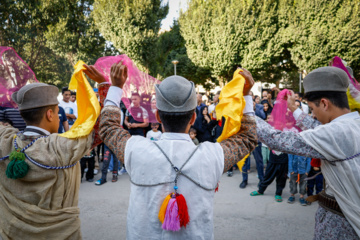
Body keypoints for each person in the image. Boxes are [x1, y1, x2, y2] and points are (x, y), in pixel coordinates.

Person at [85, 62, 257, 239]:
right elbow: (248, 138)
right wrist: (246, 95)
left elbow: (108, 128)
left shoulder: (137, 149)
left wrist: (114, 87)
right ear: (194, 117)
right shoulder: (212, 156)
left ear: (158, 116)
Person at [254, 66, 360, 239]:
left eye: (312, 108)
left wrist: (244, 112)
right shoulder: (353, 123)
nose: (314, 115)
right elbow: (318, 128)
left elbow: (277, 139)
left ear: (324, 103)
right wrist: (295, 110)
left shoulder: (334, 133)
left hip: (340, 226)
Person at [0, 83, 94, 239]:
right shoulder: (61, 148)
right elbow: (98, 124)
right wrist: (110, 86)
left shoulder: (5, 141)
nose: (58, 117)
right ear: (50, 115)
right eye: (58, 113)